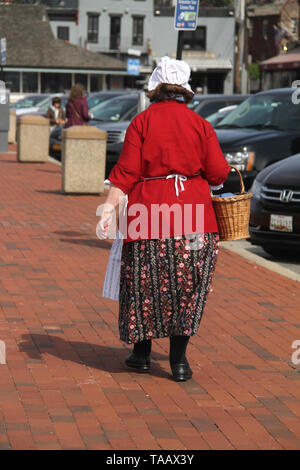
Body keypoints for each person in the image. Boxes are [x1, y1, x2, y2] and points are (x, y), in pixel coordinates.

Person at [97, 56, 230, 382]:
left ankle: (141, 355)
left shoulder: (141, 122)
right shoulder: (202, 125)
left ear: (155, 88)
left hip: (147, 215)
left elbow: (126, 172)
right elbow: (218, 173)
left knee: (143, 285)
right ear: (184, 90)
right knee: (186, 289)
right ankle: (179, 362)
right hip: (194, 217)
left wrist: (109, 209)